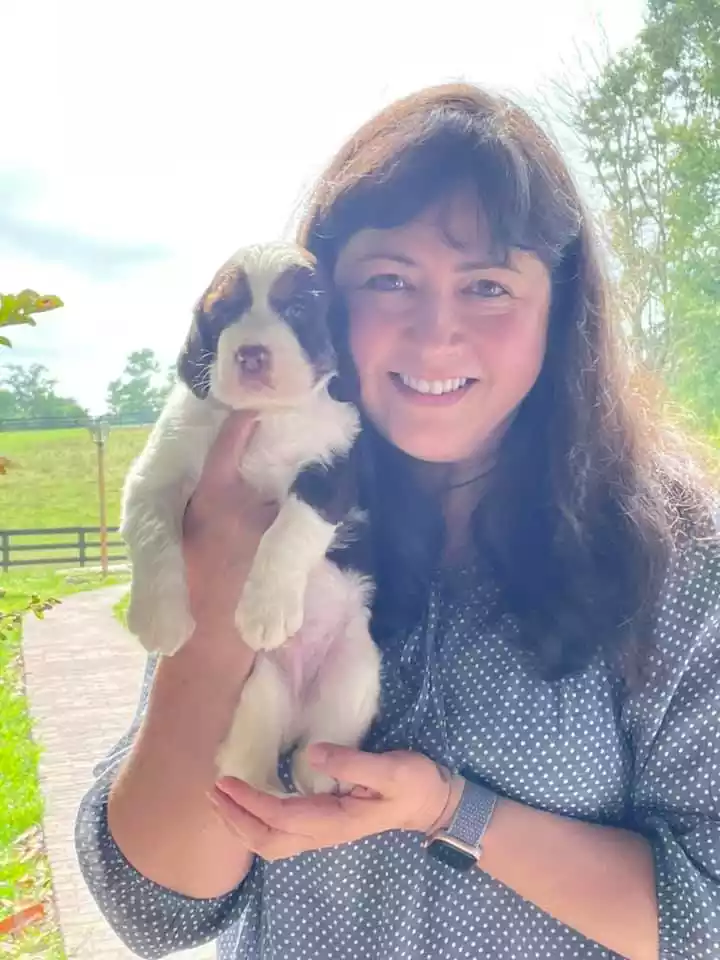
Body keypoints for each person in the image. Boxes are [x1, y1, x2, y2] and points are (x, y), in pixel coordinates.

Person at [75, 83, 720, 960]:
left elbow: (707, 917)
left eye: (488, 286)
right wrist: (211, 627)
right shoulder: (252, 501)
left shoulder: (677, 557)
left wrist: (452, 811)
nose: (435, 334)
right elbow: (155, 912)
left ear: (560, 312)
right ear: (324, 306)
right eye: (389, 280)